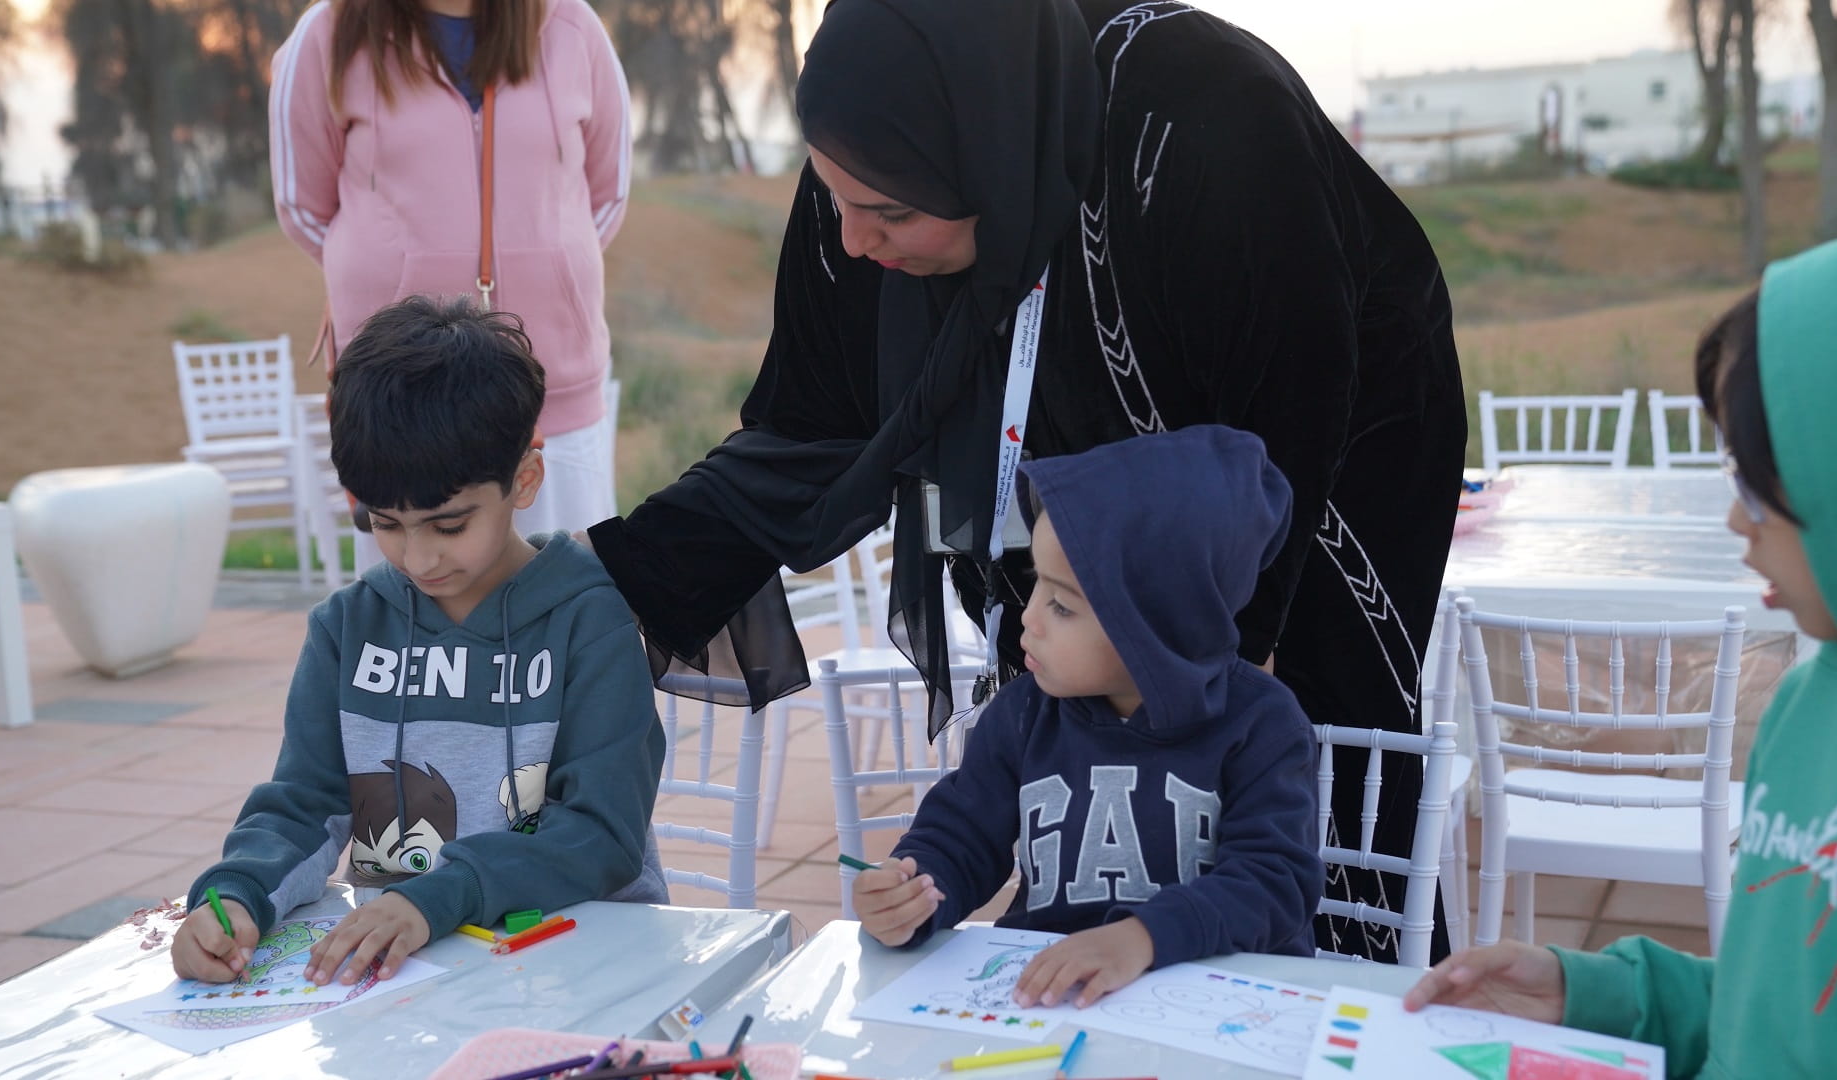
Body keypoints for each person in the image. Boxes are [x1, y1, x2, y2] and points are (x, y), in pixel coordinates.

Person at [588, 0, 1463, 962]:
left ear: (996, 158)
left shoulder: (1199, 116)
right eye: (836, 196)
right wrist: (608, 577)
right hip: (1092, 509)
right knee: (1078, 764)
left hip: (1316, 482)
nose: (853, 241)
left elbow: (1290, 408)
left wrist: (1226, 655)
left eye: (889, 212)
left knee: (1286, 786)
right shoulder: (884, 135)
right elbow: (811, 429)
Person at [1402, 224, 1837, 1075]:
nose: (1737, 520)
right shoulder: (1814, 700)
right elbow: (1772, 1002)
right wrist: (1599, 995)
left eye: (1755, 482)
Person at [172, 296, 667, 986]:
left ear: (524, 479)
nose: (418, 558)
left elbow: (602, 831)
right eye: (386, 523)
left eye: (449, 524)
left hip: (579, 964)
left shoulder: (589, 620)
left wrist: (438, 895)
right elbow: (304, 804)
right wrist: (234, 895)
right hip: (405, 981)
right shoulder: (347, 630)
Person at [851, 426, 1322, 1006]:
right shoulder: (1024, 713)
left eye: (1062, 604)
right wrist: (912, 893)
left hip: (1214, 1008)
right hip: (1053, 1002)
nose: (1030, 620)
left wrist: (1143, 937)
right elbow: (964, 835)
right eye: (1036, 587)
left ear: (1155, 626)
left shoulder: (1259, 724)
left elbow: (1274, 883)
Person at [271, 0, 631, 537]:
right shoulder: (329, 30)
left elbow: (608, 192)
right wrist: (389, 266)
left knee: (569, 593)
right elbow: (303, 205)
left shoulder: (571, 26)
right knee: (415, 600)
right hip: (402, 394)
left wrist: (548, 262)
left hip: (555, 388)